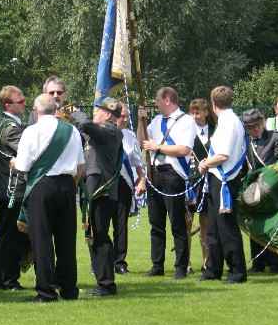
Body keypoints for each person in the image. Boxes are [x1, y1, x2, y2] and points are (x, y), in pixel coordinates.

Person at [14, 93, 84, 302]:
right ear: (55, 109)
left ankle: (46, 291)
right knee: (66, 240)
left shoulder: (31, 131)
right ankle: (69, 289)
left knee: (42, 240)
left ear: (36, 111)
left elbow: (22, 166)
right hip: (67, 185)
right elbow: (81, 167)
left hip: (42, 187)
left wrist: (13, 163)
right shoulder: (71, 130)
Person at [141, 87, 197, 279]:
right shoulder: (156, 121)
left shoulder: (186, 121)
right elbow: (143, 140)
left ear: (167, 99)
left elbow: (184, 149)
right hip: (155, 174)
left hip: (173, 175)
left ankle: (181, 266)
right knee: (156, 223)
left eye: (158, 100)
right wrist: (141, 120)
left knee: (177, 223)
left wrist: (158, 146)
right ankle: (157, 265)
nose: (156, 104)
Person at [71, 97, 125, 296]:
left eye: (97, 110)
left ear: (108, 114)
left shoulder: (111, 131)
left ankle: (107, 284)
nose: (94, 113)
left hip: (102, 190)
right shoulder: (100, 132)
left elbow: (85, 124)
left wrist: (73, 110)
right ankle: (102, 281)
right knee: (94, 235)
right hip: (93, 189)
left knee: (100, 235)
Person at [198, 86, 248, 284]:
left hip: (224, 179)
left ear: (213, 104)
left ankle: (237, 271)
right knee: (213, 228)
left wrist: (204, 163)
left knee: (226, 227)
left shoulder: (228, 122)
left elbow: (223, 155)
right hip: (218, 178)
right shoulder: (229, 120)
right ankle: (213, 268)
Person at [0, 85, 30, 291]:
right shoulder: (11, 128)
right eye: (20, 101)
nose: (24, 103)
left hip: (7, 186)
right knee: (10, 235)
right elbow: (28, 151)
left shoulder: (7, 123)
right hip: (11, 189)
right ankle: (8, 279)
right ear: (7, 105)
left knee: (5, 233)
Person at [241, 108, 278, 273]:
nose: (254, 129)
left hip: (272, 189)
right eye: (249, 127)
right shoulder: (245, 142)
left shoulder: (276, 137)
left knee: (273, 226)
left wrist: (264, 178)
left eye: (256, 125)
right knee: (256, 226)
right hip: (253, 189)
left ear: (262, 122)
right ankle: (258, 263)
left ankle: (275, 263)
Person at [114, 103, 145, 275]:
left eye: (127, 116)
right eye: (122, 116)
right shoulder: (102, 133)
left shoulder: (129, 135)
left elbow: (137, 161)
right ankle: (100, 261)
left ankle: (120, 262)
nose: (125, 119)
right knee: (100, 225)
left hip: (124, 184)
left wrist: (141, 179)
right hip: (105, 184)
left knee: (121, 225)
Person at [187, 98, 216, 273]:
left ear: (206, 112)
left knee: (206, 224)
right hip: (190, 182)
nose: (194, 116)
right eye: (192, 113)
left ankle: (207, 262)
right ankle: (186, 262)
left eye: (198, 112)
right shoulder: (186, 131)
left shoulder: (216, 130)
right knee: (187, 223)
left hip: (209, 182)